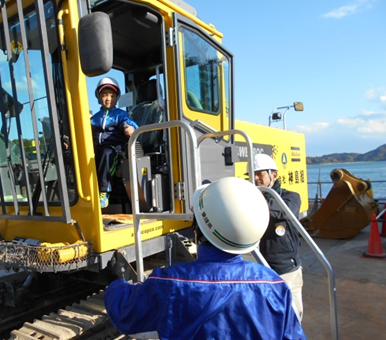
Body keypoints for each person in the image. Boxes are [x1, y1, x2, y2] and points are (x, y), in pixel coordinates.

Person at [104, 177, 306, 339]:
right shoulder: (274, 286)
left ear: (197, 228)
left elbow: (125, 313)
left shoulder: (170, 283)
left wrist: (115, 283)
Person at [250, 153, 304, 322]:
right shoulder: (251, 197)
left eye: (260, 174)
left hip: (286, 268)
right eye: (253, 174)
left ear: (274, 175)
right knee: (265, 316)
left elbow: (283, 211)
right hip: (259, 267)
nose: (256, 178)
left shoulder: (291, 196)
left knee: (292, 314)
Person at [91, 77, 138, 208]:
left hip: (115, 149)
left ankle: (104, 191)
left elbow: (131, 124)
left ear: (117, 98)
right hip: (98, 148)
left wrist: (128, 127)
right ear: (98, 98)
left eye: (112, 95)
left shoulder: (120, 115)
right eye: (104, 95)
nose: (108, 98)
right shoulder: (95, 118)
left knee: (107, 154)